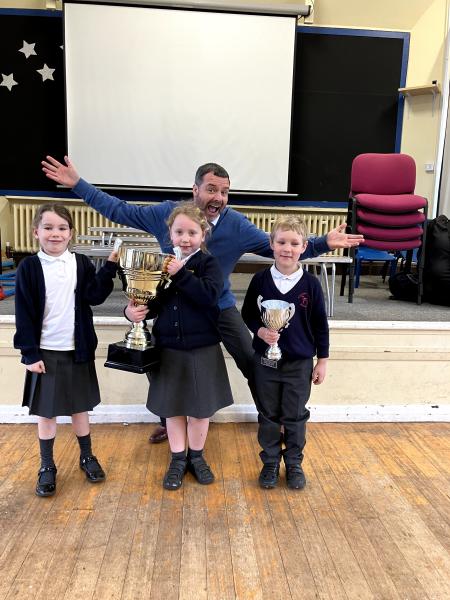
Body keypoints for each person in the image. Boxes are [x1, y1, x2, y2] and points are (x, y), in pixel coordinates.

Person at [41, 156, 362, 442]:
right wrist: (78, 184)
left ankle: (272, 420)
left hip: (218, 307)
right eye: (211, 189)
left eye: (224, 191)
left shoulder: (236, 225)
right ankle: (170, 420)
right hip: (173, 308)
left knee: (252, 360)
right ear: (195, 190)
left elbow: (278, 246)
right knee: (159, 363)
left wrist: (323, 243)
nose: (218, 197)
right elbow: (119, 210)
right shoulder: (168, 215)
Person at [125, 202, 233, 490]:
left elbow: (209, 297)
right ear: (170, 234)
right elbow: (154, 303)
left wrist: (181, 274)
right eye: (179, 232)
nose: (185, 239)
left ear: (203, 234)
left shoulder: (208, 264)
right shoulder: (162, 264)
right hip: (169, 349)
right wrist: (133, 311)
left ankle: (196, 457)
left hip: (202, 349)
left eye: (192, 233)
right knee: (173, 410)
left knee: (199, 411)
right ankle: (177, 459)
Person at [14, 203, 119, 497]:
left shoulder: (81, 263)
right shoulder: (29, 267)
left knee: (79, 408)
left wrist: (109, 267)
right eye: (48, 228)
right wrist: (29, 353)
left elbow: (94, 296)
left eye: (62, 228)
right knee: (46, 413)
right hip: (45, 352)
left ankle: (86, 456)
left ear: (71, 233)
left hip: (77, 350)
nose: (55, 234)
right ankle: (47, 465)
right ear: (36, 232)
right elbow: (24, 313)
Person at [241, 216, 329, 490]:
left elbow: (320, 324)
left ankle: (293, 463)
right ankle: (269, 462)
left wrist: (322, 360)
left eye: (293, 243)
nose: (287, 248)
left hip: (299, 364)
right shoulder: (260, 280)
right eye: (281, 242)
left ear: (304, 246)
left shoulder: (311, 284)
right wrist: (260, 331)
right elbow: (248, 313)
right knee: (268, 414)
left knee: (295, 416)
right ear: (271, 244)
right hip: (265, 361)